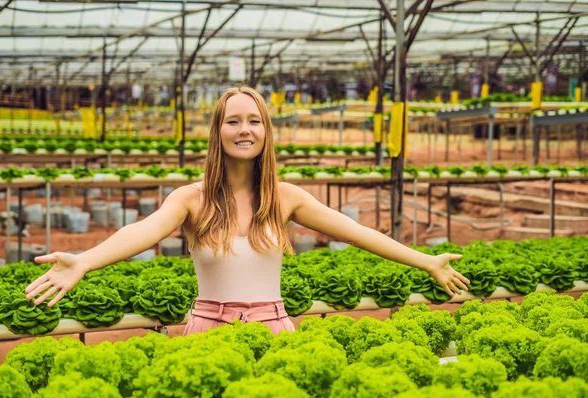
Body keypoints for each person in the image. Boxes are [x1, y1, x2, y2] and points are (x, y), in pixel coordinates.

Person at [25, 86, 470, 335]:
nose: (244, 130)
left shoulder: (285, 197)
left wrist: (426, 260)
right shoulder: (191, 199)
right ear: (218, 131)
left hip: (275, 329)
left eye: (254, 121)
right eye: (233, 120)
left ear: (266, 131)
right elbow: (142, 231)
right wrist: (83, 260)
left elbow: (356, 232)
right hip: (207, 329)